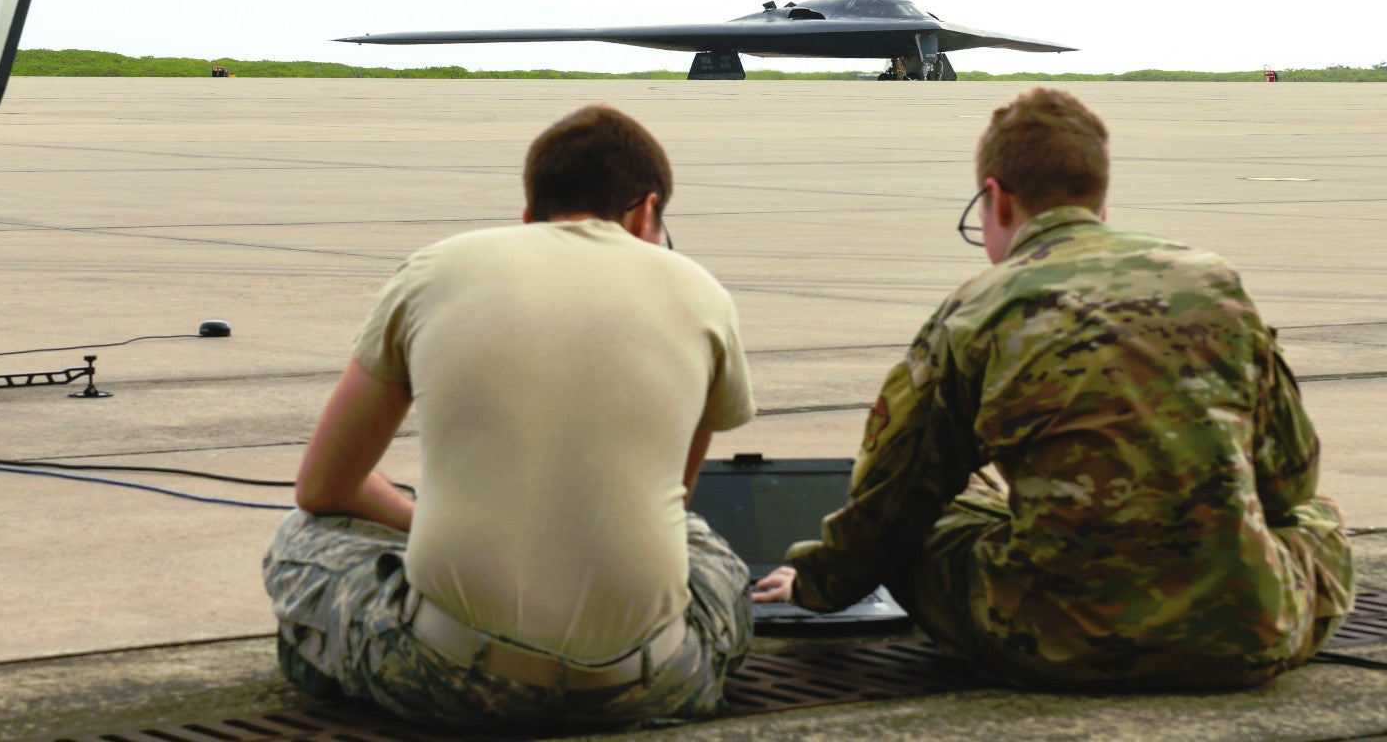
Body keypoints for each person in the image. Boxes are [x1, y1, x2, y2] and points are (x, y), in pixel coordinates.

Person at [752, 87, 1353, 688]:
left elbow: (889, 504)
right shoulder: (1214, 282)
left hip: (1049, 642)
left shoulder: (975, 310)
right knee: (1317, 515)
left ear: (997, 200)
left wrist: (817, 583)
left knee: (936, 510)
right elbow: (1290, 481)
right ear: (1100, 201)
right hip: (1244, 635)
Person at [263, 104, 754, 728]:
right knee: (700, 542)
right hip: (649, 686)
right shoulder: (703, 293)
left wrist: (418, 522)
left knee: (301, 536)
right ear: (645, 211)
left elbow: (323, 487)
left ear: (528, 218)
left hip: (448, 682)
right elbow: (673, 496)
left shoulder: (434, 270)